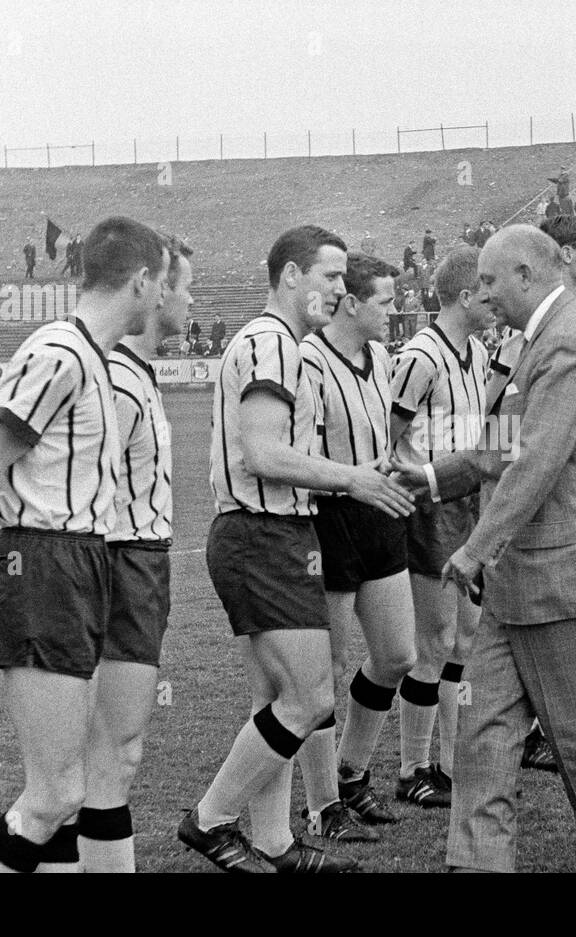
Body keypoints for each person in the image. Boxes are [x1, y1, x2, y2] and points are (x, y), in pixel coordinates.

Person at [391, 225, 576, 873]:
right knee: (482, 738)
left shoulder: (571, 343)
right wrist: (425, 478)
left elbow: (533, 463)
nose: (480, 293)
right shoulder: (539, 340)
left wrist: (475, 548)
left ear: (528, 274)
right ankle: (476, 862)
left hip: (570, 581)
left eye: (489, 280)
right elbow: (499, 448)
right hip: (519, 587)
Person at [0, 216, 168, 874]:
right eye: (161, 283)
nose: (163, 297)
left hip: (75, 565)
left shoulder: (91, 358)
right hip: (42, 566)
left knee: (67, 794)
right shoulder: (59, 353)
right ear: (141, 281)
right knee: (55, 794)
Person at [179, 225, 414, 874]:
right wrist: (352, 476)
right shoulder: (270, 343)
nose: (340, 289)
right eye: (330, 276)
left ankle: (277, 841)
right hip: (261, 534)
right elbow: (262, 452)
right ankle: (210, 819)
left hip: (278, 533)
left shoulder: (284, 344)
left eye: (344, 279)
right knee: (309, 698)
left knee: (275, 699)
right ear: (290, 276)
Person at [296, 252, 419, 838]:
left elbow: (392, 437)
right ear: (350, 302)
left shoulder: (383, 358)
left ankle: (353, 773)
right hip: (331, 519)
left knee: (398, 655)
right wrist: (354, 475)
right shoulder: (309, 360)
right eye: (385, 301)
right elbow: (294, 458)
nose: (394, 313)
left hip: (380, 511)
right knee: (326, 669)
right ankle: (322, 807)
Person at [78, 236, 191, 872]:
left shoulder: (134, 375)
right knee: (108, 755)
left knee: (112, 753)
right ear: (154, 290)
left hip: (140, 564)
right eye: (185, 287)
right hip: (120, 565)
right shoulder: (118, 380)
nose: (191, 300)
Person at [387, 246, 491, 800]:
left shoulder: (475, 350)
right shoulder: (423, 354)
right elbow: (387, 434)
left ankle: (451, 762)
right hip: (429, 507)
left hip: (468, 503)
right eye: (488, 289)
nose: (497, 300)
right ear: (465, 295)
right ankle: (412, 769)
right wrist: (409, 484)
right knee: (434, 639)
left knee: (465, 637)